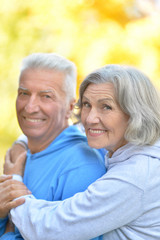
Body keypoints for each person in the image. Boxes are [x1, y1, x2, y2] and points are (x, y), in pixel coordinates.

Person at [2, 64, 160, 240]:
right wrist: (22, 143)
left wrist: (13, 179)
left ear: (135, 113)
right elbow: (52, 128)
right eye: (86, 104)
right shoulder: (119, 140)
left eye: (106, 107)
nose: (90, 119)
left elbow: (52, 229)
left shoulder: (134, 177)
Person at [0, 53, 106, 240]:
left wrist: (8, 231)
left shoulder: (81, 166)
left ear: (70, 107)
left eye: (46, 96)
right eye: (24, 93)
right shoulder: (21, 154)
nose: (30, 107)